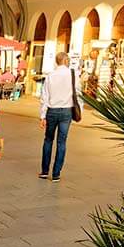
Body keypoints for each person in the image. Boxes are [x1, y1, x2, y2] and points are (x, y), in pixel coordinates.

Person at [40, 52, 81, 182]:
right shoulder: (73, 75)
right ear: (66, 60)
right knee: (61, 142)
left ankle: (45, 171)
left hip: (52, 110)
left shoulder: (50, 76)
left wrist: (42, 115)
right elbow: (78, 94)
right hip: (66, 111)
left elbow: (44, 96)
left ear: (57, 61)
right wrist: (80, 111)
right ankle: (56, 173)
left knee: (48, 140)